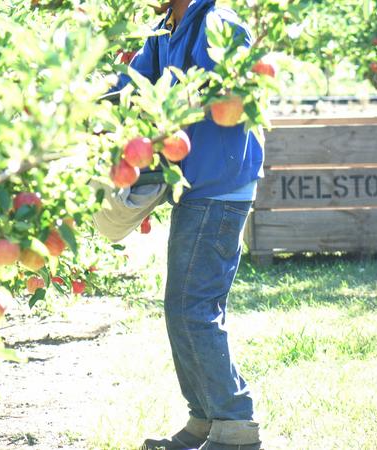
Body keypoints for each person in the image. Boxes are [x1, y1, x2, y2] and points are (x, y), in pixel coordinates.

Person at [110, 1, 264, 449]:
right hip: (196, 187)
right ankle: (205, 418)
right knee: (183, 308)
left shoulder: (219, 26)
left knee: (193, 308)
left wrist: (173, 107)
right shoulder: (167, 29)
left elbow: (230, 101)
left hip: (219, 187)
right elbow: (129, 88)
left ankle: (235, 423)